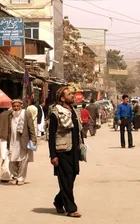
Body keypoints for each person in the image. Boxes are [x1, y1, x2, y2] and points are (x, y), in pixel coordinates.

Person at [49, 87, 82, 218]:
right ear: (62, 99)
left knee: (71, 177)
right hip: (62, 151)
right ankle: (71, 209)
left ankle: (58, 201)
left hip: (73, 150)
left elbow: (78, 131)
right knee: (66, 179)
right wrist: (53, 155)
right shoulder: (55, 113)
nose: (73, 96)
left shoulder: (73, 111)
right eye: (69, 94)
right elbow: (51, 135)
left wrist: (81, 146)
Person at [8, 99, 37, 185]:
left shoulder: (26, 114)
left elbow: (31, 127)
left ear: (21, 106)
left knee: (23, 160)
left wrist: (33, 139)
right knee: (12, 160)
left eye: (17, 106)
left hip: (23, 140)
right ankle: (15, 175)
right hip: (13, 140)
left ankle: (21, 178)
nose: (16, 108)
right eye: (14, 106)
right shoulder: (10, 115)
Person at [0, 109, 12, 183]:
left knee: (5, 158)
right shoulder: (11, 115)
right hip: (7, 139)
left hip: (0, 138)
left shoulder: (1, 115)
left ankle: (5, 174)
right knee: (7, 158)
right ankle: (5, 176)